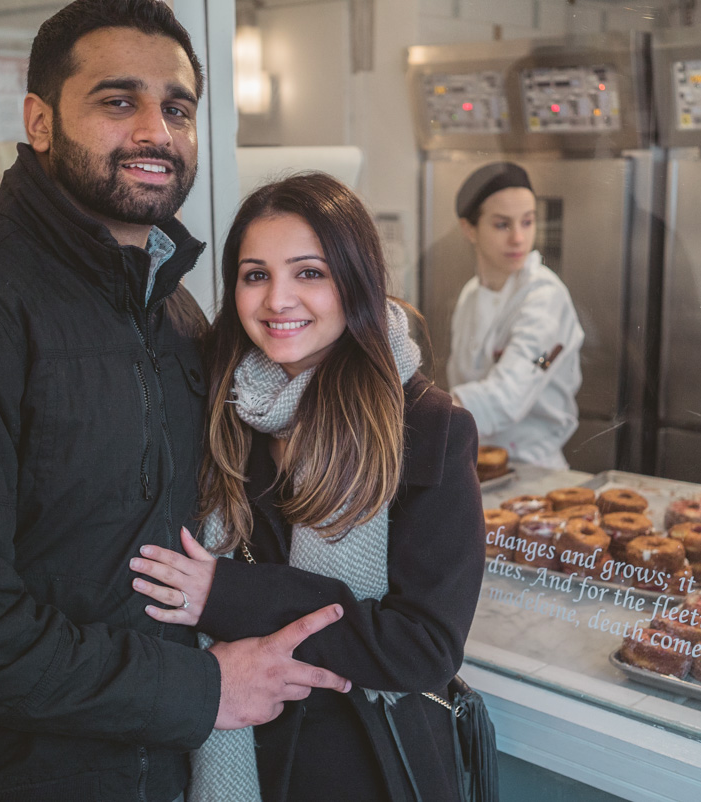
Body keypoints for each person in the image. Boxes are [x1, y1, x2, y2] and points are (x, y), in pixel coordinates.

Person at [0, 3, 348, 800]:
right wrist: (202, 689)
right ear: (39, 121)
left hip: (161, 766)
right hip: (8, 777)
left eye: (177, 108)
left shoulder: (175, 314)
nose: (156, 130)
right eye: (118, 101)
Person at [128, 172, 485, 801]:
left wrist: (226, 594)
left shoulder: (427, 426)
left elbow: (423, 646)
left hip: (363, 761)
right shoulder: (218, 403)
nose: (278, 301)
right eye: (256, 274)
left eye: (310, 273)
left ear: (357, 281)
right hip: (234, 744)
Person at [446, 161, 585, 469]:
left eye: (527, 222)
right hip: (473, 462)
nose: (518, 238)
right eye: (502, 225)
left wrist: (428, 413)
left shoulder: (545, 297)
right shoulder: (471, 295)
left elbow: (509, 393)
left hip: (531, 469)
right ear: (469, 229)